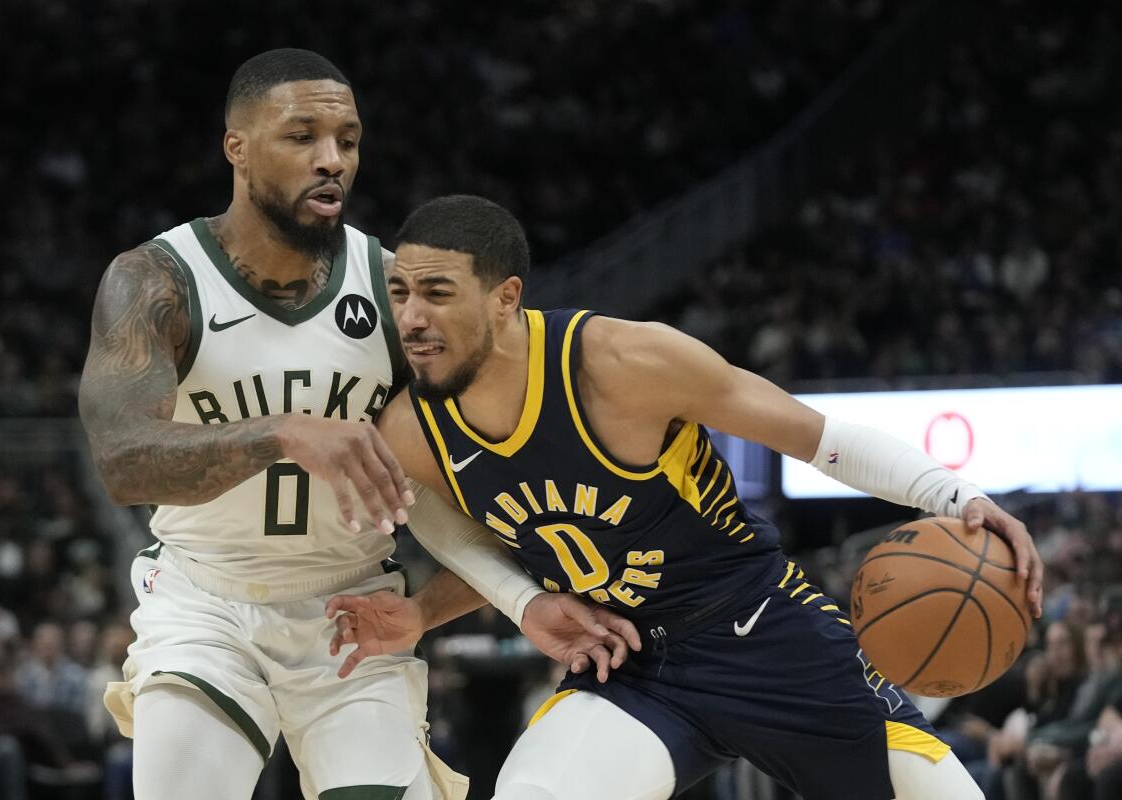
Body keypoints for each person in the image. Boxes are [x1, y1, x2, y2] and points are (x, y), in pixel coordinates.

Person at [326, 194, 1047, 800]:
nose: (412, 318)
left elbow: (818, 438)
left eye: (437, 293)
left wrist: (954, 496)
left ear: (506, 297)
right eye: (401, 293)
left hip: (760, 625)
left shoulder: (623, 365)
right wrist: (441, 610)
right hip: (631, 665)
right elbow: (472, 545)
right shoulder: (413, 429)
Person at [78, 51, 636, 800]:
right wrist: (284, 433)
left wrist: (521, 599)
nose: (332, 160)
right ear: (236, 147)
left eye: (348, 138)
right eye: (302, 136)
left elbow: (466, 489)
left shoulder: (391, 290)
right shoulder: (156, 280)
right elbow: (123, 461)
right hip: (204, 603)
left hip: (354, 610)